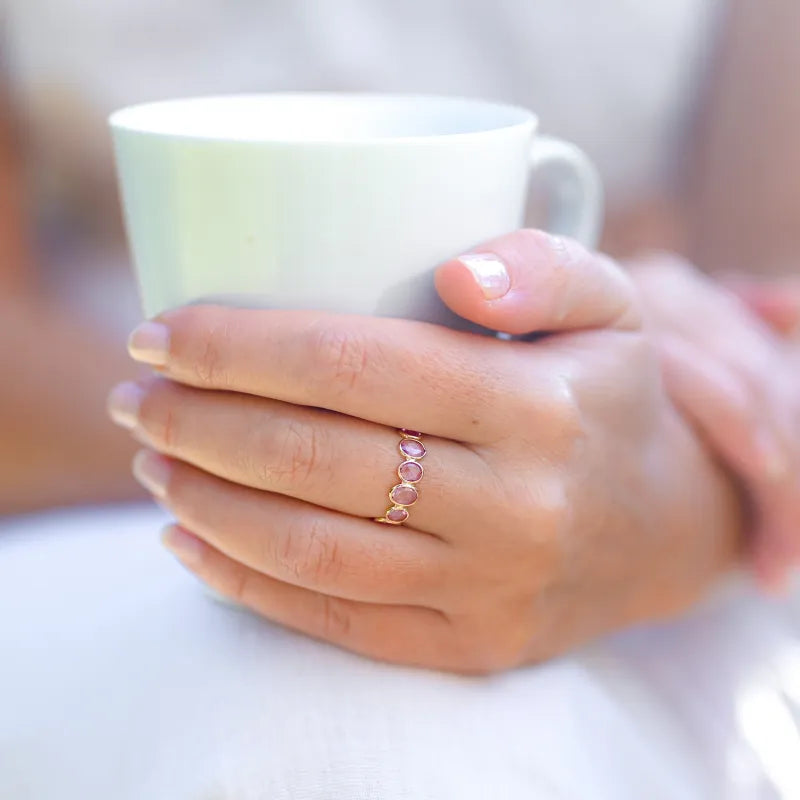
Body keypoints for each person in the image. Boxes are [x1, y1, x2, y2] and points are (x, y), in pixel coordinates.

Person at [1, 0, 800, 797]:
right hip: (101, 512)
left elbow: (776, 319)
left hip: (631, 536)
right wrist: (264, 452)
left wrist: (664, 497)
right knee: (316, 712)